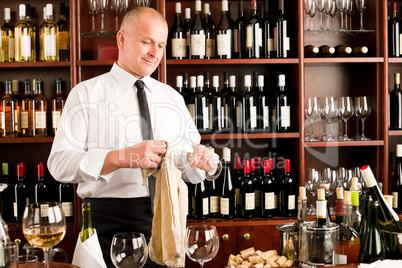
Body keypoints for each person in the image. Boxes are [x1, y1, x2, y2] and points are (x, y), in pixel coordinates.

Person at [47, 7, 220, 268]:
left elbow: (187, 166)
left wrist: (203, 163)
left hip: (167, 221)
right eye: (146, 42)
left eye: (161, 45)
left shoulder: (173, 98)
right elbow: (59, 164)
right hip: (107, 225)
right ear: (121, 39)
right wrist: (121, 157)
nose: (155, 53)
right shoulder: (85, 94)